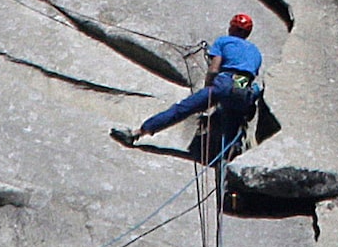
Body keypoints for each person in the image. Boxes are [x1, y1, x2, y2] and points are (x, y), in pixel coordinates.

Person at [111, 13, 262, 150]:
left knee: (182, 109)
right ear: (247, 33)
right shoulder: (255, 52)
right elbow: (249, 74)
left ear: (231, 28)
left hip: (223, 84)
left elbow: (214, 69)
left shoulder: (224, 42)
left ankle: (137, 133)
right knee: (233, 119)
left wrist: (208, 89)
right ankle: (232, 151)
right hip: (243, 89)